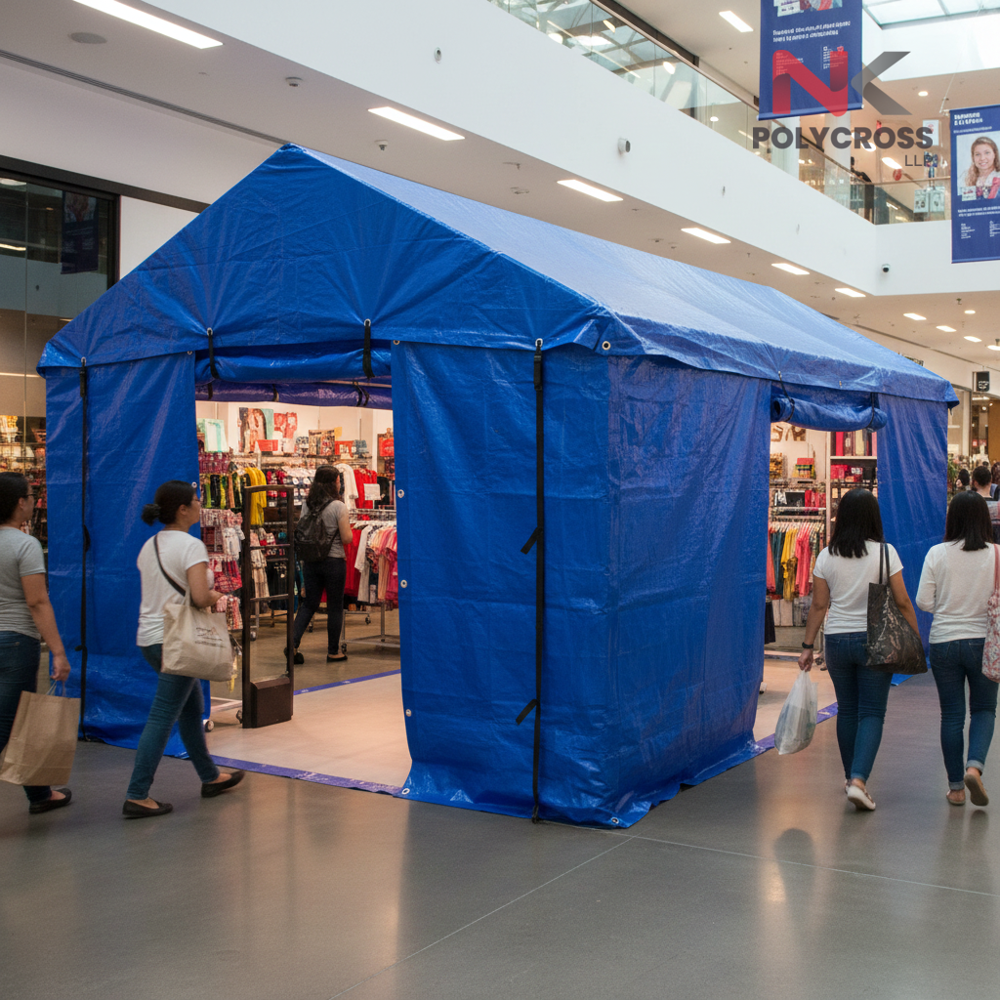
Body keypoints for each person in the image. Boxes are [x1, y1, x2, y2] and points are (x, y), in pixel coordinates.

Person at [124, 481, 244, 818]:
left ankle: (210, 776)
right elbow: (200, 596)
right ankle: (137, 794)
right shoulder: (191, 547)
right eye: (195, 501)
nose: (199, 505)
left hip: (151, 638)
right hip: (177, 640)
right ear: (181, 509)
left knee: (191, 709)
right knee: (163, 716)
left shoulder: (150, 545)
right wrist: (221, 596)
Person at [798, 488, 919, 812]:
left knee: (847, 710)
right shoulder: (885, 553)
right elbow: (903, 601)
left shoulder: (826, 555)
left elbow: (819, 605)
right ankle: (859, 781)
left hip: (836, 641)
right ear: (873, 518)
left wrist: (808, 646)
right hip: (874, 640)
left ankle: (850, 776)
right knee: (872, 713)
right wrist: (915, 637)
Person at [917, 492, 998, 806]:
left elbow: (924, 601)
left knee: (951, 715)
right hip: (986, 644)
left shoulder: (937, 554)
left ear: (951, 519)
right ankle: (974, 768)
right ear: (984, 520)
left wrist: (949, 605)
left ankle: (955, 788)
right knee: (984, 710)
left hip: (945, 642)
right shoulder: (997, 555)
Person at [0, 473, 73, 814]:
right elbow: (38, 602)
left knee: (18, 718)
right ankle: (40, 794)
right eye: (31, 495)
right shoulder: (24, 545)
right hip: (16, 642)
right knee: (8, 722)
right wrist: (58, 651)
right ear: (19, 503)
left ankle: (40, 794)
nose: (34, 501)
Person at [290, 466, 353, 664]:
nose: (340, 483)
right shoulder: (338, 506)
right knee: (334, 606)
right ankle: (333, 651)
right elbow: (347, 537)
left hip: (310, 561)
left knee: (309, 603)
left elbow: (301, 531)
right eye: (338, 480)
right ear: (334, 482)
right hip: (333, 561)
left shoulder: (308, 504)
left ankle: (292, 644)